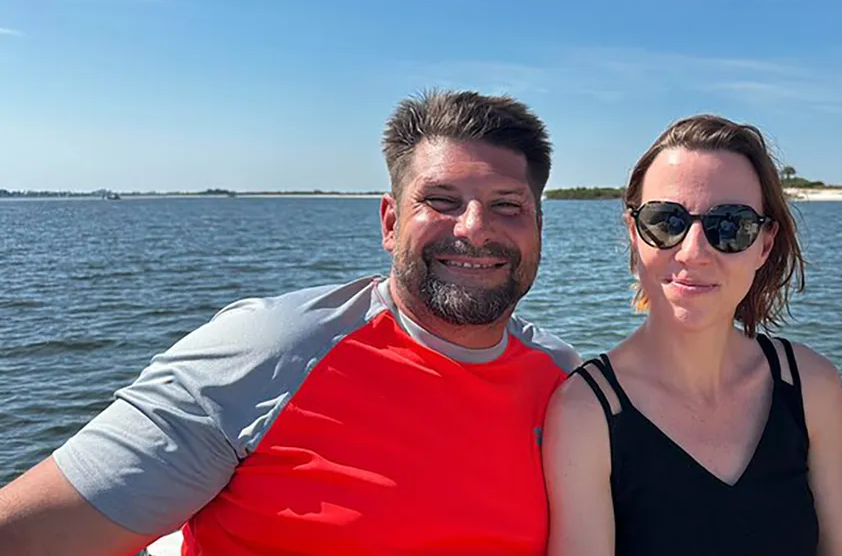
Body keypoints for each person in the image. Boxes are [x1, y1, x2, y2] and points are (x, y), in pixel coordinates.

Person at [0, 89, 580, 556]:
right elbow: (30, 535)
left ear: (538, 228)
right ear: (388, 221)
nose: (475, 228)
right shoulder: (269, 352)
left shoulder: (567, 385)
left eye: (508, 205)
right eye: (442, 200)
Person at [542, 115, 842, 555]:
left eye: (730, 226)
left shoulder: (811, 385)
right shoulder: (587, 411)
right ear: (634, 235)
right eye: (666, 222)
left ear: (764, 245)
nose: (694, 251)